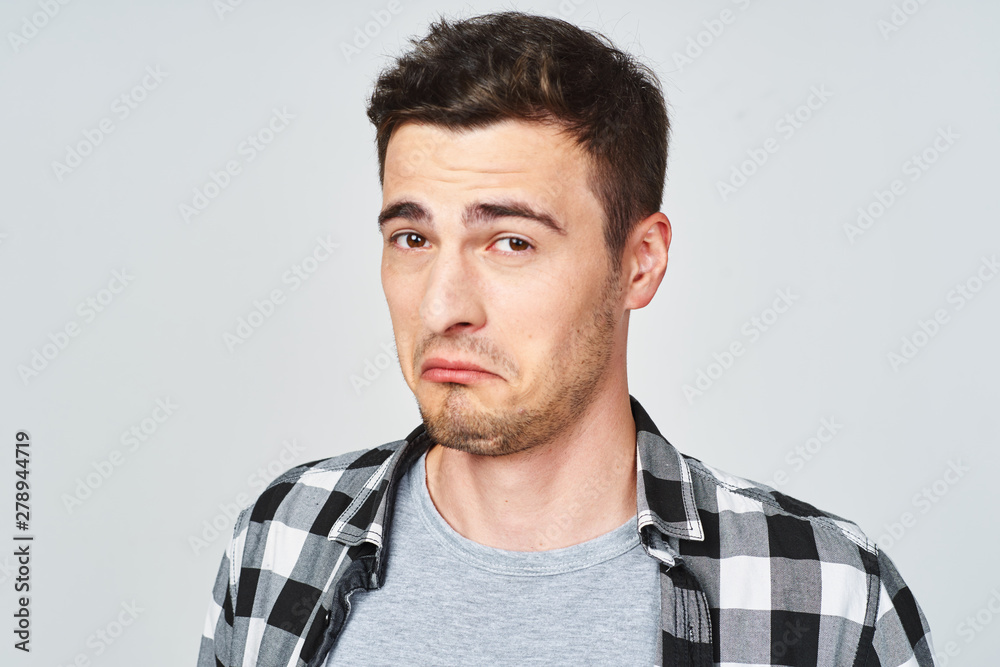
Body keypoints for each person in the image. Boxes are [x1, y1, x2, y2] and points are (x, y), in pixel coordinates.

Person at [197, 11, 933, 666]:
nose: (443, 304)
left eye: (511, 242)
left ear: (639, 262)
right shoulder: (284, 534)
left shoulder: (824, 592)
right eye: (413, 236)